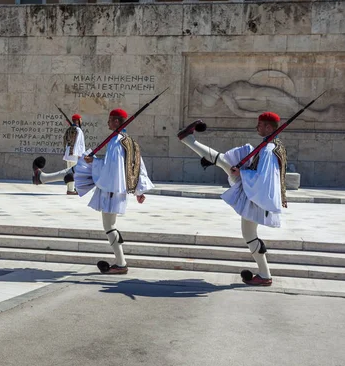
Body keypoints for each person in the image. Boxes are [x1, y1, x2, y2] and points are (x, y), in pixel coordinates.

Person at [177, 112, 287, 286]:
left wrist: (242, 173)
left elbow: (263, 177)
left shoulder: (268, 149)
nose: (257, 127)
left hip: (256, 196)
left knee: (249, 235)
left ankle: (265, 275)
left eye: (259, 124)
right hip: (257, 194)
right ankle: (188, 139)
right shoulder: (274, 146)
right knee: (223, 162)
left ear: (268, 127)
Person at [76, 108, 154, 274]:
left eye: (110, 120)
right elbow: (137, 166)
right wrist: (139, 190)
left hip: (111, 189)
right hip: (117, 189)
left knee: (109, 226)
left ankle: (121, 264)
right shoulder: (130, 141)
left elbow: (112, 168)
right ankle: (120, 262)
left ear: (117, 122)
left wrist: (93, 162)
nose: (108, 123)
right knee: (110, 225)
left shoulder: (116, 142)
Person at [62, 114, 86, 195]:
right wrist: (79, 154)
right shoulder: (78, 130)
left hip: (68, 153)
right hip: (74, 154)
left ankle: (70, 189)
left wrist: (66, 152)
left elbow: (65, 141)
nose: (81, 121)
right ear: (78, 120)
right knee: (73, 172)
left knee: (69, 171)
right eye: (80, 119)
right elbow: (78, 143)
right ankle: (71, 190)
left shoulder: (69, 129)